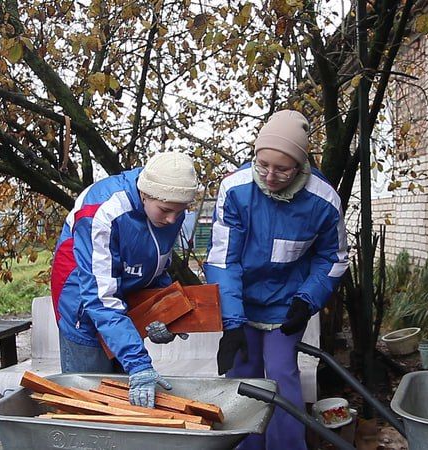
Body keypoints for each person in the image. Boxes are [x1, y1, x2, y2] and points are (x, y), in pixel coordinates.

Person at [204, 110, 349, 449]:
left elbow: (334, 258)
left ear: (300, 166)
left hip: (288, 304)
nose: (269, 176)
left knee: (283, 375)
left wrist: (307, 300)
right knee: (243, 376)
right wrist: (232, 320)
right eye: (262, 164)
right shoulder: (236, 190)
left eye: (282, 168)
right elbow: (224, 259)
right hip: (241, 299)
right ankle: (244, 446)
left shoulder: (323, 200)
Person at [51, 152, 198, 408]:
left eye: (181, 211)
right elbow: (100, 298)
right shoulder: (101, 212)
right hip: (83, 304)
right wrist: (139, 365)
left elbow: (156, 269)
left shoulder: (170, 206)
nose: (173, 220)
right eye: (166, 210)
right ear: (145, 193)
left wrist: (162, 312)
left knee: (125, 397)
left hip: (123, 302)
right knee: (92, 402)